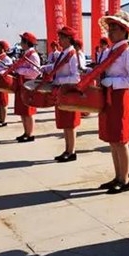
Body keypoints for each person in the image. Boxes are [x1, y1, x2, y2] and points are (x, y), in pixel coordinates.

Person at [97, 11, 129, 193]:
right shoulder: (109, 51)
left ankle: (124, 180)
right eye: (110, 28)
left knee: (121, 140)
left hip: (119, 97)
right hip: (107, 97)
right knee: (112, 139)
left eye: (115, 28)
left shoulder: (127, 52)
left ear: (125, 31)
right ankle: (117, 176)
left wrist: (113, 82)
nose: (111, 32)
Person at [41, 26, 81, 162]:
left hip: (68, 92)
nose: (59, 39)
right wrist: (45, 68)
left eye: (62, 37)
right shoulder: (64, 53)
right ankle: (67, 150)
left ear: (69, 39)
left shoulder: (72, 54)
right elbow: (57, 67)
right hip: (62, 91)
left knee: (70, 123)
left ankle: (72, 151)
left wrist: (59, 80)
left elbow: (76, 77)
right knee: (65, 123)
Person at [13, 32, 41, 142]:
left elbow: (35, 72)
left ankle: (29, 134)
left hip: (28, 83)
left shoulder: (33, 55)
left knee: (28, 110)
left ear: (26, 43)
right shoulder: (25, 54)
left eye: (22, 41)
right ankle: (25, 132)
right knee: (22, 110)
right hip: (22, 83)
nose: (20, 43)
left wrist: (20, 71)